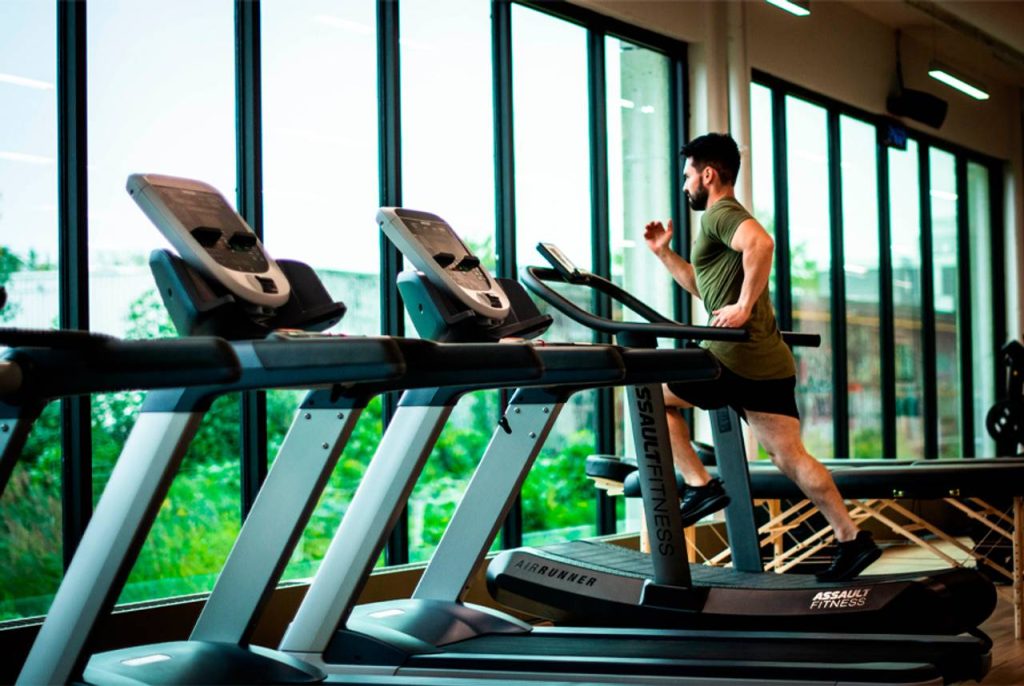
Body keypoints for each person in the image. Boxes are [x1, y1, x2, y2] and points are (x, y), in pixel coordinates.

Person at [643, 132, 880, 582]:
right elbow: (704, 287)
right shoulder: (721, 222)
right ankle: (851, 538)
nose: (685, 185)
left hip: (731, 358)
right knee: (791, 457)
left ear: (707, 174)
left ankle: (700, 486)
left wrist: (744, 307)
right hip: (767, 361)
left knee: (650, 394)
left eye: (687, 176)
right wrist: (664, 254)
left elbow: (763, 245)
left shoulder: (722, 214)